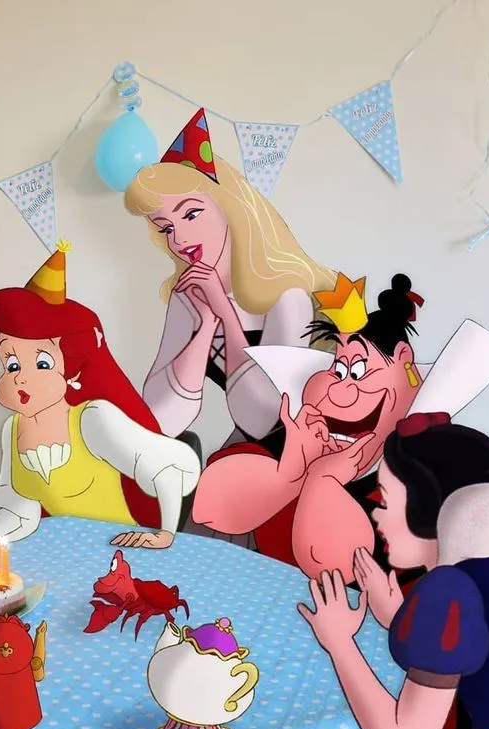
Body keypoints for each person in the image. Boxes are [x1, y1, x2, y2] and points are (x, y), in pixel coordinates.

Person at [190, 272, 489, 585]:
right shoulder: (304, 434)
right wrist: (289, 472)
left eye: (357, 371)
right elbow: (208, 508)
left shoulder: (414, 474)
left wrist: (324, 479)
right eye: (337, 368)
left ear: (404, 361)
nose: (334, 389)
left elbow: (333, 571)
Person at [123, 108, 338, 545]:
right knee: (201, 537)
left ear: (230, 209)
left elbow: (264, 416)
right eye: (166, 227)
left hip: (308, 456)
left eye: (191, 214)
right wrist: (204, 324)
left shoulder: (287, 293)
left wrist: (224, 313)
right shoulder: (188, 295)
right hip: (249, 454)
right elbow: (162, 419)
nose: (179, 239)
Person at [299, 413, 489, 729]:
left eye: (384, 501)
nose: (376, 514)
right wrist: (397, 616)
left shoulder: (448, 590)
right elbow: (477, 651)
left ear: (427, 511)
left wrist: (338, 641)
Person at [0, 239, 202, 549]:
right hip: (62, 554)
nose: (20, 378)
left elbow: (163, 467)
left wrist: (165, 534)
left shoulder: (93, 419)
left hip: (120, 552)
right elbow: (19, 504)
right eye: (12, 364)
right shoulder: (12, 430)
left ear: (70, 364)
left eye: (42, 362)